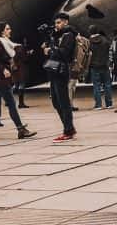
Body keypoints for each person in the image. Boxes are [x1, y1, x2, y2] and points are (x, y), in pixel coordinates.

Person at [43, 12, 77, 141]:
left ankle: (68, 130)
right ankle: (69, 127)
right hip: (54, 71)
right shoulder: (58, 35)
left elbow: (64, 53)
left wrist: (51, 49)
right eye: (55, 23)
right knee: (56, 102)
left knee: (63, 102)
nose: (56, 25)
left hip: (61, 71)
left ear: (66, 22)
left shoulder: (68, 35)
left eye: (59, 22)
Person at [88, 26, 113, 110]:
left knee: (96, 85)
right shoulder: (105, 40)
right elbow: (110, 50)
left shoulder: (89, 42)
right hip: (105, 65)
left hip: (94, 66)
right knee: (107, 84)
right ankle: (109, 104)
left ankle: (98, 105)